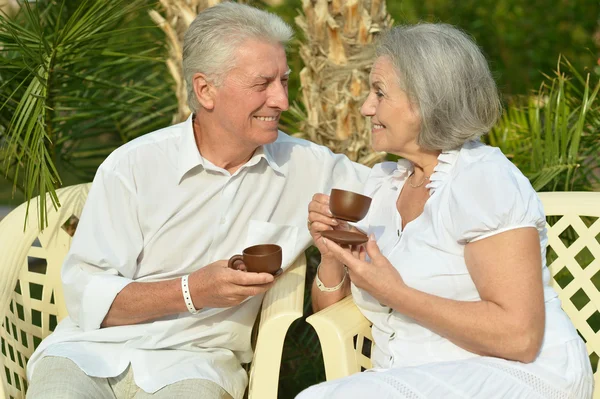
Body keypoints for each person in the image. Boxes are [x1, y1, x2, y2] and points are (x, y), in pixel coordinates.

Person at [25, 3, 369, 399]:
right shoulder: (133, 166)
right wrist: (193, 291)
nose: (282, 101)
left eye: (285, 82)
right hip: (89, 355)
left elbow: (400, 191)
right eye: (263, 84)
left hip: (198, 366)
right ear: (206, 90)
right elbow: (87, 295)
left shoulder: (307, 167)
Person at [301, 23, 593, 399]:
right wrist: (330, 256)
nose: (366, 107)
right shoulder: (382, 187)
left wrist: (396, 292)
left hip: (519, 375)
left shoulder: (483, 180)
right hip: (416, 377)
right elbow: (331, 311)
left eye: (380, 93)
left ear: (427, 101)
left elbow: (520, 337)